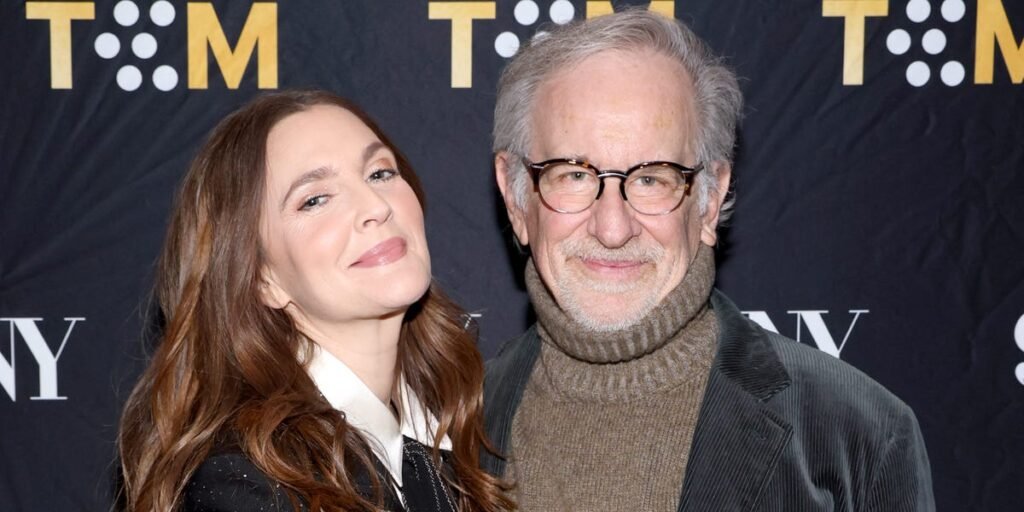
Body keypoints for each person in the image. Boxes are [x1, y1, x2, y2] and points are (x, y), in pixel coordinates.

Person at [483, 10, 934, 511]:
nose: (612, 228)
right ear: (516, 198)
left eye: (652, 178)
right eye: (573, 175)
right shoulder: (451, 430)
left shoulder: (858, 437)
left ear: (710, 200)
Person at [118, 90, 512, 512]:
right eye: (315, 199)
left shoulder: (450, 432)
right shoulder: (246, 485)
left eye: (380, 173)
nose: (375, 206)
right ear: (261, 278)